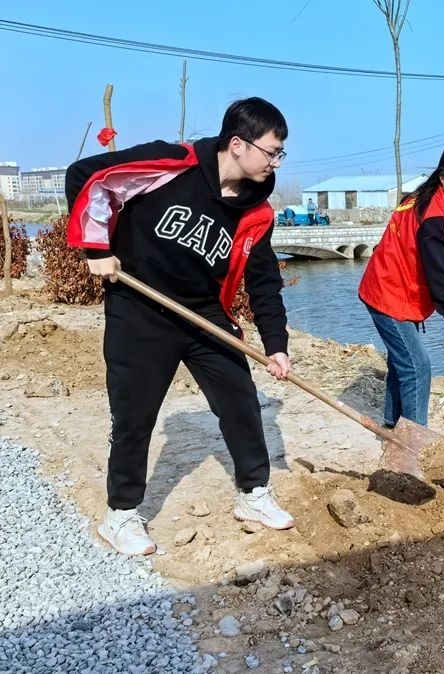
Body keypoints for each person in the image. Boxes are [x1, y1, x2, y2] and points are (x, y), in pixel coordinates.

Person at [65, 97, 297, 556]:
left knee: (240, 401)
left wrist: (276, 344)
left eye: (279, 154)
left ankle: (253, 494)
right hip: (139, 305)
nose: (276, 162)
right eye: (272, 152)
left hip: (204, 312)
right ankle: (121, 514)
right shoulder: (172, 163)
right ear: (238, 144)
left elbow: (264, 281)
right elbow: (85, 176)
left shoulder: (256, 211)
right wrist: (97, 250)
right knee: (134, 415)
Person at [358, 142, 444, 428]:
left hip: (392, 287)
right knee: (417, 367)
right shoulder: (433, 216)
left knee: (400, 361)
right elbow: (440, 276)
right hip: (389, 293)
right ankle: (414, 439)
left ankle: (393, 427)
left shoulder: (424, 197)